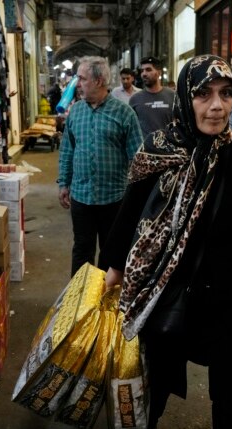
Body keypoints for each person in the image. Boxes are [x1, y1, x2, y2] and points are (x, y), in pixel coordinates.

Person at [102, 55, 232, 429]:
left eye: (226, 95)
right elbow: (130, 213)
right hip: (169, 287)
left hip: (230, 292)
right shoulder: (160, 150)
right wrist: (115, 268)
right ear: (184, 98)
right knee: (153, 376)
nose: (217, 106)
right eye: (203, 95)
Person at [57, 56, 143, 276]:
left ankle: (105, 302)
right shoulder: (75, 112)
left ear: (98, 81)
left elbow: (137, 158)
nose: (78, 84)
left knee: (111, 252)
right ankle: (78, 301)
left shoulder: (124, 114)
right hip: (81, 197)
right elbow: (67, 150)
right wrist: (63, 183)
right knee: (82, 251)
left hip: (113, 199)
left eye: (82, 78)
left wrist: (136, 198)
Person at [129, 56, 175, 137]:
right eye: (142, 71)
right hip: (144, 148)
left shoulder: (173, 96)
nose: (144, 74)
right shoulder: (135, 99)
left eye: (148, 70)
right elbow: (130, 129)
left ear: (159, 73)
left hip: (168, 147)